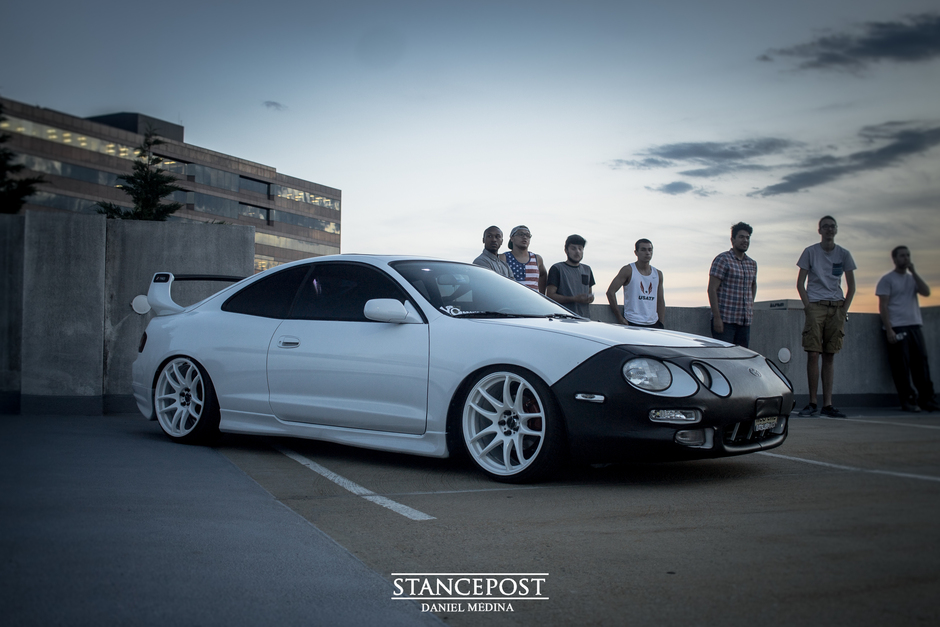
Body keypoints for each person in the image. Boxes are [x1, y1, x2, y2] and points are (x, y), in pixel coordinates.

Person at [796, 215, 856, 418]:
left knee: (829, 355)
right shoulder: (810, 252)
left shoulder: (844, 254)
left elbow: (852, 286)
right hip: (816, 306)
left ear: (836, 230)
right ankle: (812, 402)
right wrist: (808, 307)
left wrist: (843, 310)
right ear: (819, 230)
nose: (829, 229)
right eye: (825, 226)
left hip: (836, 307)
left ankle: (828, 404)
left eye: (832, 226)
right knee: (813, 353)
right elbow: (800, 283)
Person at [875, 246, 937, 412]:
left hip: (914, 325)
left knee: (921, 364)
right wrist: (889, 330)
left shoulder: (912, 279)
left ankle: (927, 399)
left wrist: (914, 272)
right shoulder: (887, 280)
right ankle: (908, 400)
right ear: (894, 259)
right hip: (897, 327)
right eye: (902, 255)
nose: (906, 258)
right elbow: (883, 306)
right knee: (901, 366)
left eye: (908, 255)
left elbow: (926, 292)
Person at [707, 222, 757, 347]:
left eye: (747, 238)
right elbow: (712, 289)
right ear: (732, 240)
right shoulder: (723, 259)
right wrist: (717, 318)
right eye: (741, 237)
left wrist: (750, 306)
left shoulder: (751, 263)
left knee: (742, 356)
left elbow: (753, 285)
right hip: (726, 321)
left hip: (744, 322)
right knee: (724, 356)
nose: (745, 240)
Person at [606, 238, 664, 328]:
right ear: (636, 252)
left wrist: (661, 323)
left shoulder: (658, 274)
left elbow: (660, 300)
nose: (647, 253)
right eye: (643, 250)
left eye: (650, 250)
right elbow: (610, 292)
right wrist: (619, 318)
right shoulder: (628, 270)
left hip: (653, 323)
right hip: (632, 321)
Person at [546, 234, 596, 317]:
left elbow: (589, 293)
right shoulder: (557, 268)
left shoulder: (587, 269)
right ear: (566, 250)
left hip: (584, 318)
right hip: (562, 318)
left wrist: (590, 298)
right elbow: (550, 296)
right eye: (573, 248)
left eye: (580, 248)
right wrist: (574, 299)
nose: (577, 251)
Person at [502, 225, 547, 293]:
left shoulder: (537, 259)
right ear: (512, 238)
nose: (524, 237)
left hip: (532, 299)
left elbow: (543, 274)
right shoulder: (504, 257)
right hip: (512, 298)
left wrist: (542, 294)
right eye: (520, 234)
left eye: (527, 235)